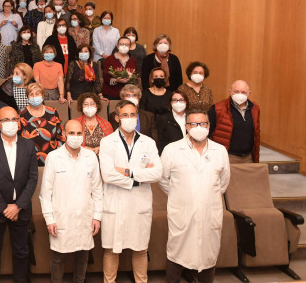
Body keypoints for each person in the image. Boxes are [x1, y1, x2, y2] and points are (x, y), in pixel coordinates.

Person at [160, 109, 230, 283]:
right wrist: (182, 194)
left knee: (208, 255)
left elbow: (223, 182)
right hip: (181, 212)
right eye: (193, 124)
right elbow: (163, 180)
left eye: (202, 124)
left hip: (209, 213)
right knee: (177, 254)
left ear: (209, 126)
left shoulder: (220, 151)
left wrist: (204, 195)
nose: (198, 127)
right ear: (186, 127)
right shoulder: (172, 150)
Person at [99, 100, 162, 283]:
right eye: (125, 115)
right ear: (117, 118)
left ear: (137, 117)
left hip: (139, 203)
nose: (129, 118)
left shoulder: (148, 142)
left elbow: (157, 173)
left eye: (132, 115)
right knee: (111, 249)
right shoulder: (107, 142)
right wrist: (140, 178)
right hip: (115, 202)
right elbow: (108, 175)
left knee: (140, 248)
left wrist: (129, 172)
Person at [39, 119, 102, 283]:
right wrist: (49, 219)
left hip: (85, 216)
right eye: (72, 133)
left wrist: (97, 216)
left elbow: (97, 190)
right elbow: (45, 193)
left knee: (82, 256)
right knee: (58, 257)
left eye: (79, 133)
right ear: (65, 135)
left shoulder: (90, 157)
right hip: (61, 217)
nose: (75, 136)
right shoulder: (53, 157)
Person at [0, 106, 38, 283]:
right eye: (6, 120)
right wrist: (4, 208)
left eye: (14, 119)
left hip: (21, 209)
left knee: (21, 251)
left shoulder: (28, 145)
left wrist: (18, 206)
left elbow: (33, 178)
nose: (11, 123)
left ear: (19, 122)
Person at [208, 80, 260, 164]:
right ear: (230, 92)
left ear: (249, 93)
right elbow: (208, 133)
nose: (240, 94)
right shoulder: (217, 108)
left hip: (248, 157)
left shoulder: (255, 108)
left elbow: (256, 134)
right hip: (227, 157)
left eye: (243, 92)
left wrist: (256, 158)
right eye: (236, 91)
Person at [19, 82, 64, 165]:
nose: (34, 96)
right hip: (27, 160)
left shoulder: (52, 112)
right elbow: (17, 139)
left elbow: (60, 136)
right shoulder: (21, 114)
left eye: (37, 93)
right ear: (27, 97)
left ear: (42, 96)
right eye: (31, 94)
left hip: (52, 159)